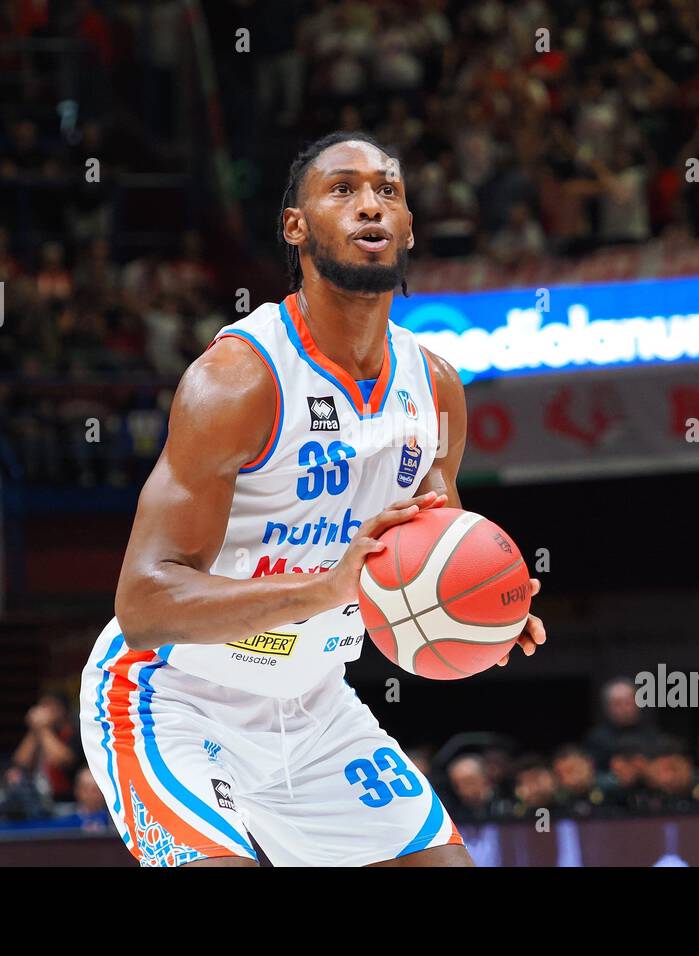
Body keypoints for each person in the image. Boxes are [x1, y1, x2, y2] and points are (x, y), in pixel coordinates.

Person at [79, 132, 546, 868]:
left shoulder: (437, 388)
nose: (371, 205)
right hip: (173, 698)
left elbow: (433, 553)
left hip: (315, 705)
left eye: (388, 191)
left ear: (411, 227)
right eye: (343, 189)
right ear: (297, 228)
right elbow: (143, 605)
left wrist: (485, 612)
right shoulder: (237, 381)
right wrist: (323, 590)